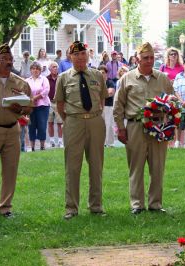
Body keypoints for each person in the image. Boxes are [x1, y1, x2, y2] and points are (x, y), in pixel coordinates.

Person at [114, 42, 173, 215]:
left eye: (152, 58)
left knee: (158, 167)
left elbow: (173, 101)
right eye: (145, 58)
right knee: (136, 167)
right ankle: (137, 205)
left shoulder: (162, 78)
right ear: (137, 59)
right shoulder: (127, 78)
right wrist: (120, 128)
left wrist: (170, 125)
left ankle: (155, 204)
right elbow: (118, 106)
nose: (149, 61)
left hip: (158, 126)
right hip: (135, 127)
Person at [55, 41, 108, 220]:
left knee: (96, 164)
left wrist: (95, 114)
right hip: (74, 122)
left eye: (83, 53)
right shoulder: (63, 77)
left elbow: (101, 99)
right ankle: (71, 208)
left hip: (94, 122)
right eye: (76, 54)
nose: (80, 57)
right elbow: (60, 104)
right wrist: (70, 120)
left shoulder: (97, 75)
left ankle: (96, 206)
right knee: (72, 166)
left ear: (87, 55)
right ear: (70, 57)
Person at [0, 43, 32, 221]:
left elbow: (29, 108)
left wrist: (21, 109)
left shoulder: (20, 83)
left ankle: (5, 208)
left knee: (10, 171)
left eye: (10, 59)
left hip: (12, 131)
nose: (8, 62)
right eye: (3, 59)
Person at [25, 61, 50, 151]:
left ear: (40, 70)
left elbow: (46, 91)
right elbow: (25, 92)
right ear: (31, 70)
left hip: (43, 106)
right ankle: (32, 147)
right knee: (31, 126)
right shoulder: (27, 81)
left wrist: (35, 97)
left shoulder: (44, 79)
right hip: (31, 107)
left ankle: (42, 146)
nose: (35, 70)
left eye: (37, 69)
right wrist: (31, 98)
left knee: (42, 126)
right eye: (33, 68)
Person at [97, 65, 116, 147]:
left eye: (103, 73)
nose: (102, 74)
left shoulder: (110, 82)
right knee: (100, 125)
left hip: (108, 106)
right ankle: (102, 143)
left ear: (106, 74)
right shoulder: (96, 83)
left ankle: (111, 143)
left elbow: (111, 93)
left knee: (109, 124)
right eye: (100, 73)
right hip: (98, 107)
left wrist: (100, 94)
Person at [47, 61, 63, 148]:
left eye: (56, 67)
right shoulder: (46, 79)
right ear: (50, 69)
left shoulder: (61, 78)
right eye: (53, 67)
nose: (55, 68)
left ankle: (60, 141)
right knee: (50, 122)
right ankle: (52, 141)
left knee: (60, 122)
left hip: (58, 103)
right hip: (49, 102)